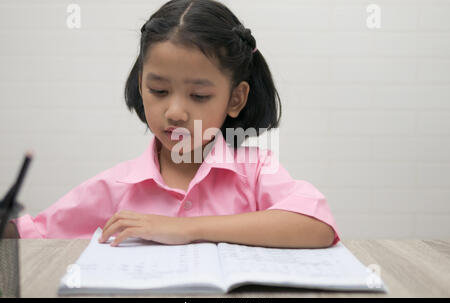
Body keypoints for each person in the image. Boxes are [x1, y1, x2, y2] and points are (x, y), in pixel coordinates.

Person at [7, 0, 340, 248]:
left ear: (235, 99)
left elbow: (316, 225)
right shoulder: (117, 187)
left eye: (198, 95)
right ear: (140, 85)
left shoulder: (255, 171)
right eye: (159, 91)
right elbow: (29, 235)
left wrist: (186, 229)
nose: (175, 112)